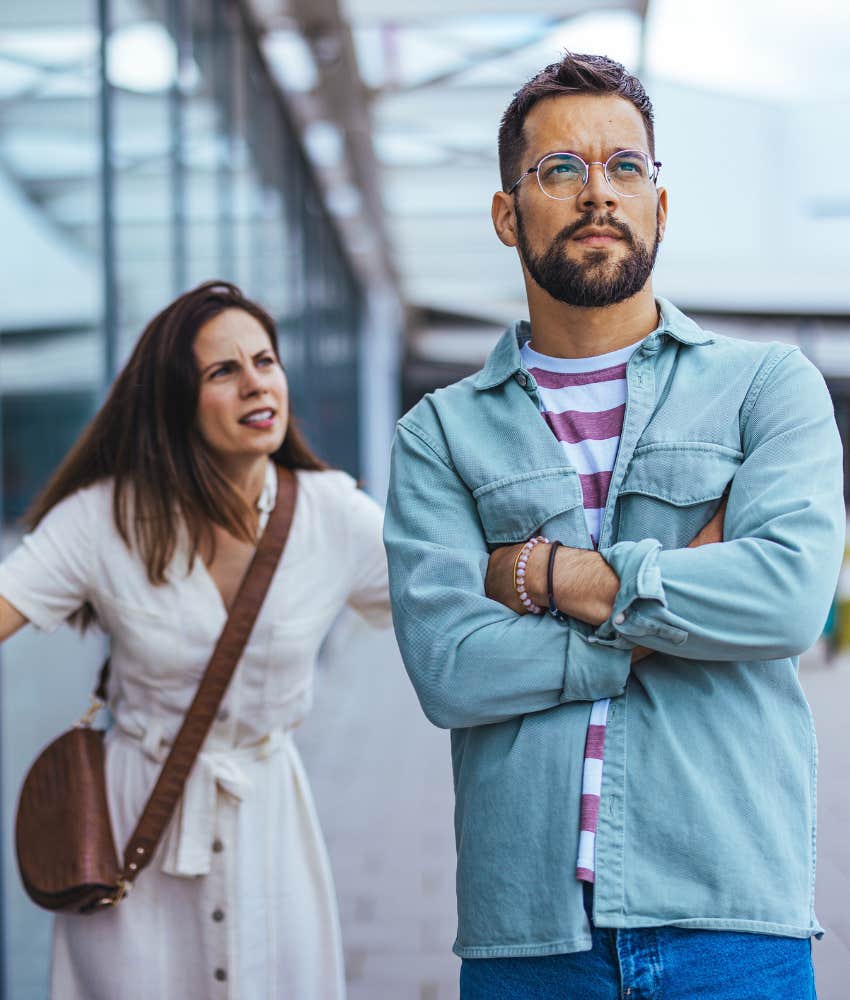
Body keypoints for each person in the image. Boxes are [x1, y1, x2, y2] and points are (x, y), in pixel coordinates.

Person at [383, 52, 844, 999]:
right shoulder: (439, 433)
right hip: (529, 940)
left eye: (625, 166)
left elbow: (789, 600)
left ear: (660, 206)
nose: (599, 193)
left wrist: (550, 577)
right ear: (508, 212)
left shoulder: (769, 387)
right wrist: (665, 615)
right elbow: (450, 667)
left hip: (729, 920)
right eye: (561, 169)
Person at [0, 280, 390, 1000]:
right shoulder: (103, 518)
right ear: (176, 400)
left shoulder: (333, 514)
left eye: (264, 361)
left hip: (269, 821)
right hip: (130, 834)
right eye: (222, 371)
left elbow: (450, 594)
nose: (255, 384)